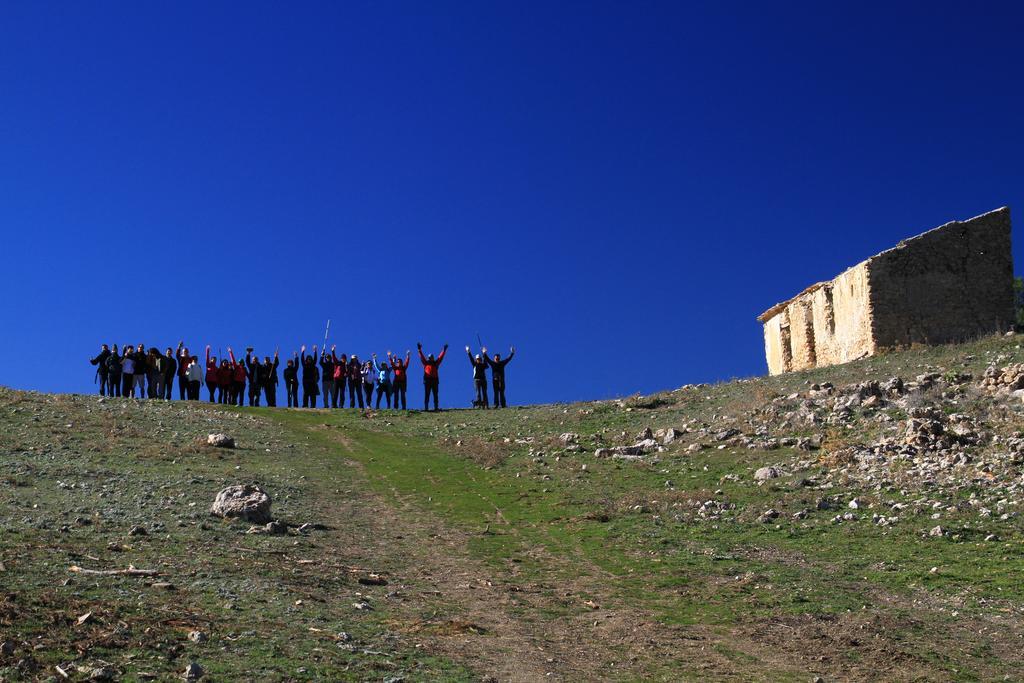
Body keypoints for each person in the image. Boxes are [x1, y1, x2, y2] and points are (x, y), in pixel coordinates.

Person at [418, 342, 447, 411]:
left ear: (433, 358)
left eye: (431, 357)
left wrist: (444, 350)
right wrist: (419, 350)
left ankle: (436, 407)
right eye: (429, 357)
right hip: (427, 381)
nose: (430, 358)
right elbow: (422, 357)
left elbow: (440, 357)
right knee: (427, 394)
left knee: (435, 395)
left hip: (435, 381)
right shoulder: (425, 363)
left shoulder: (436, 363)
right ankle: (426, 407)